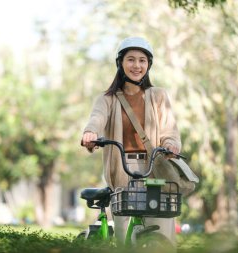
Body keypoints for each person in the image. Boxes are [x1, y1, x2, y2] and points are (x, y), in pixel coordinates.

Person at [81, 37, 181, 248]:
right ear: (121, 63)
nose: (137, 66)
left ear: (148, 65)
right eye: (131, 60)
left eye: (142, 60)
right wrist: (90, 133)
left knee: (161, 223)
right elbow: (97, 118)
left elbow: (169, 129)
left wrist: (171, 144)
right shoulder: (107, 98)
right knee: (124, 233)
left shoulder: (159, 96)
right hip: (123, 168)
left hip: (154, 167)